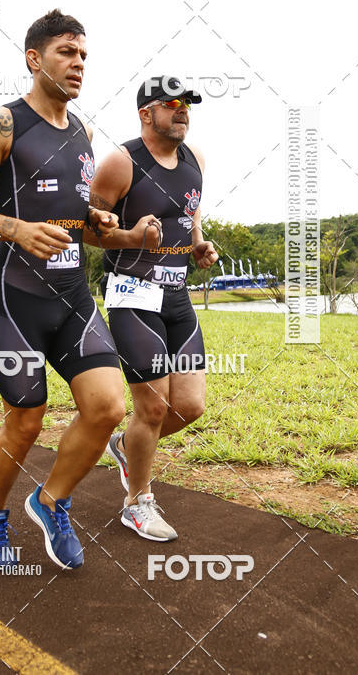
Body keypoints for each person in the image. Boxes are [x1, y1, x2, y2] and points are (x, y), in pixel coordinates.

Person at [0, 9, 159, 570]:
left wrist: (115, 228)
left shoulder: (85, 133)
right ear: (34, 59)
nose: (79, 64)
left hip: (73, 299)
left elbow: (81, 225)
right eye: (67, 52)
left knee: (109, 406)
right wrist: (13, 227)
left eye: (84, 55)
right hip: (17, 299)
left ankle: (51, 501)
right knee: (27, 419)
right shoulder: (3, 124)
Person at [90, 76, 218, 541]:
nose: (183, 110)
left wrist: (199, 245)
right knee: (154, 407)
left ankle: (126, 446)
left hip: (177, 296)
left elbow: (190, 213)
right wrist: (130, 237)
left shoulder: (196, 160)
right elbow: (88, 229)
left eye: (188, 104)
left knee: (189, 405)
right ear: (146, 113)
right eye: (172, 104)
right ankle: (136, 502)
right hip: (132, 295)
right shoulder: (120, 163)